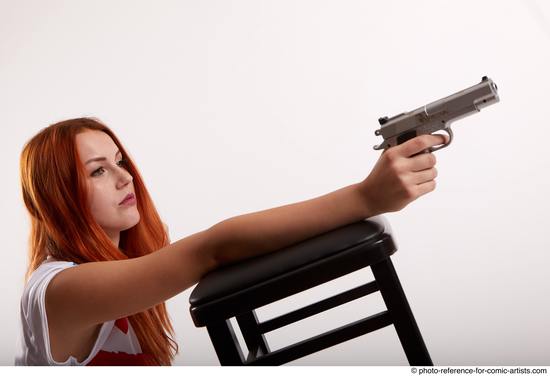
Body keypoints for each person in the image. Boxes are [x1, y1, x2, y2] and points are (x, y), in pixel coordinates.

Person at [15, 117, 447, 366]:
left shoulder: (121, 269)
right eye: (97, 170)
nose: (126, 176)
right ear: (59, 196)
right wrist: (365, 197)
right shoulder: (56, 292)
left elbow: (220, 250)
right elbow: (213, 248)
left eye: (119, 161)